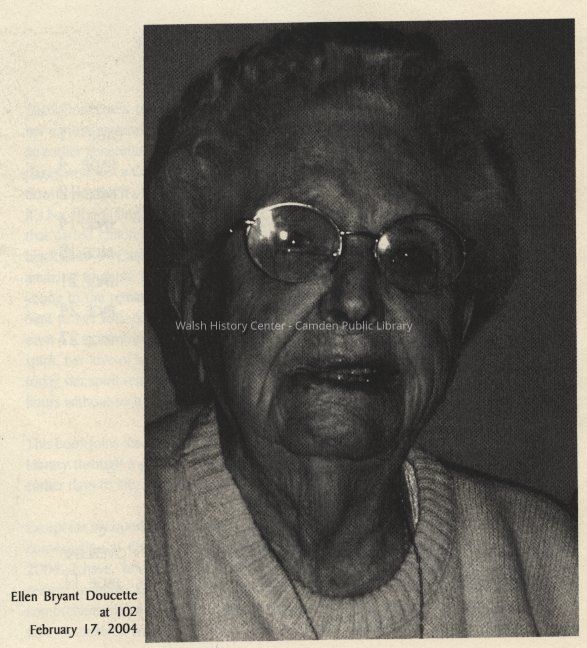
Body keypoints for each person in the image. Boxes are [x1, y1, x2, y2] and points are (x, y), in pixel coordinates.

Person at [145, 24, 578, 640]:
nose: (356, 299)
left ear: (457, 323)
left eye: (411, 255)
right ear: (194, 300)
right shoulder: (107, 535)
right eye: (293, 241)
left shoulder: (555, 570)